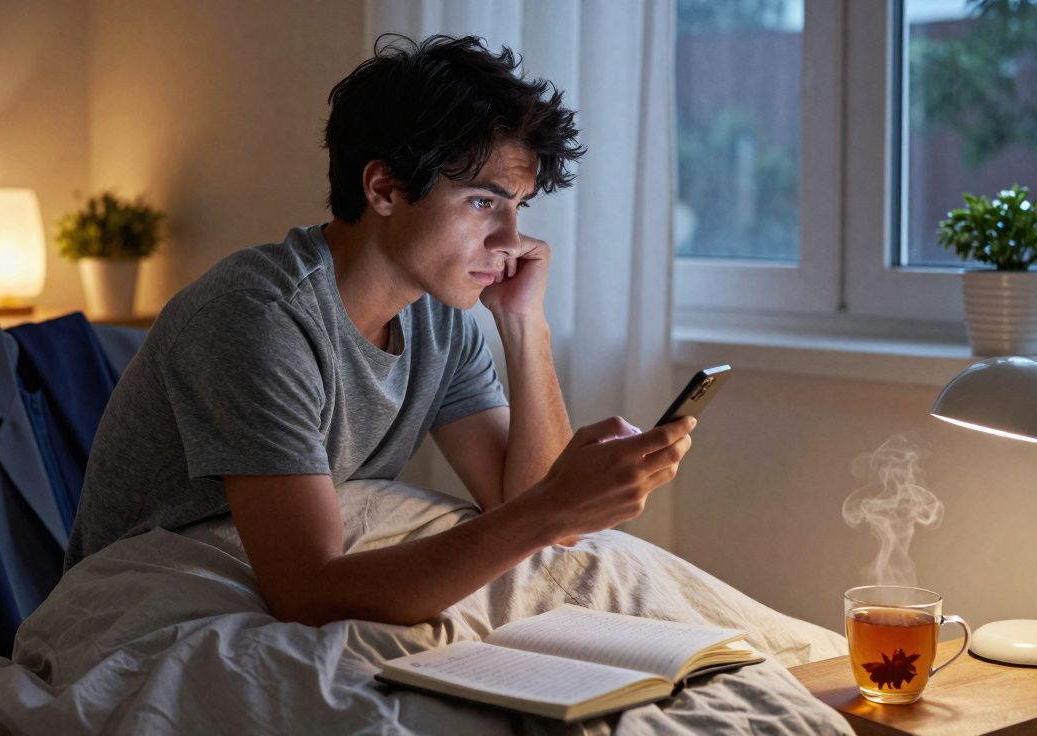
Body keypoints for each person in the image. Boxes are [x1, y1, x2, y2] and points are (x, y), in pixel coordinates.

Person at [65, 34, 695, 627]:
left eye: (518, 208)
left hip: (277, 583)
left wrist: (525, 324)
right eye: (483, 202)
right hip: (156, 595)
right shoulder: (257, 318)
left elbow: (526, 508)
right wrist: (555, 505)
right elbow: (307, 592)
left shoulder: (440, 318)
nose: (511, 241)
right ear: (385, 188)